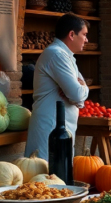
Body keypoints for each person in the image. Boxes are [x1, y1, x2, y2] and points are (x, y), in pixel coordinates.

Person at [25, 14, 90, 160]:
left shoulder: (67, 56)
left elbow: (79, 95)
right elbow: (77, 95)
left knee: (60, 174)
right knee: (45, 175)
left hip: (61, 127)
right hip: (50, 125)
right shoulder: (57, 55)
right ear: (72, 34)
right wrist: (80, 92)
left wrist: (82, 89)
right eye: (84, 34)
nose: (86, 39)